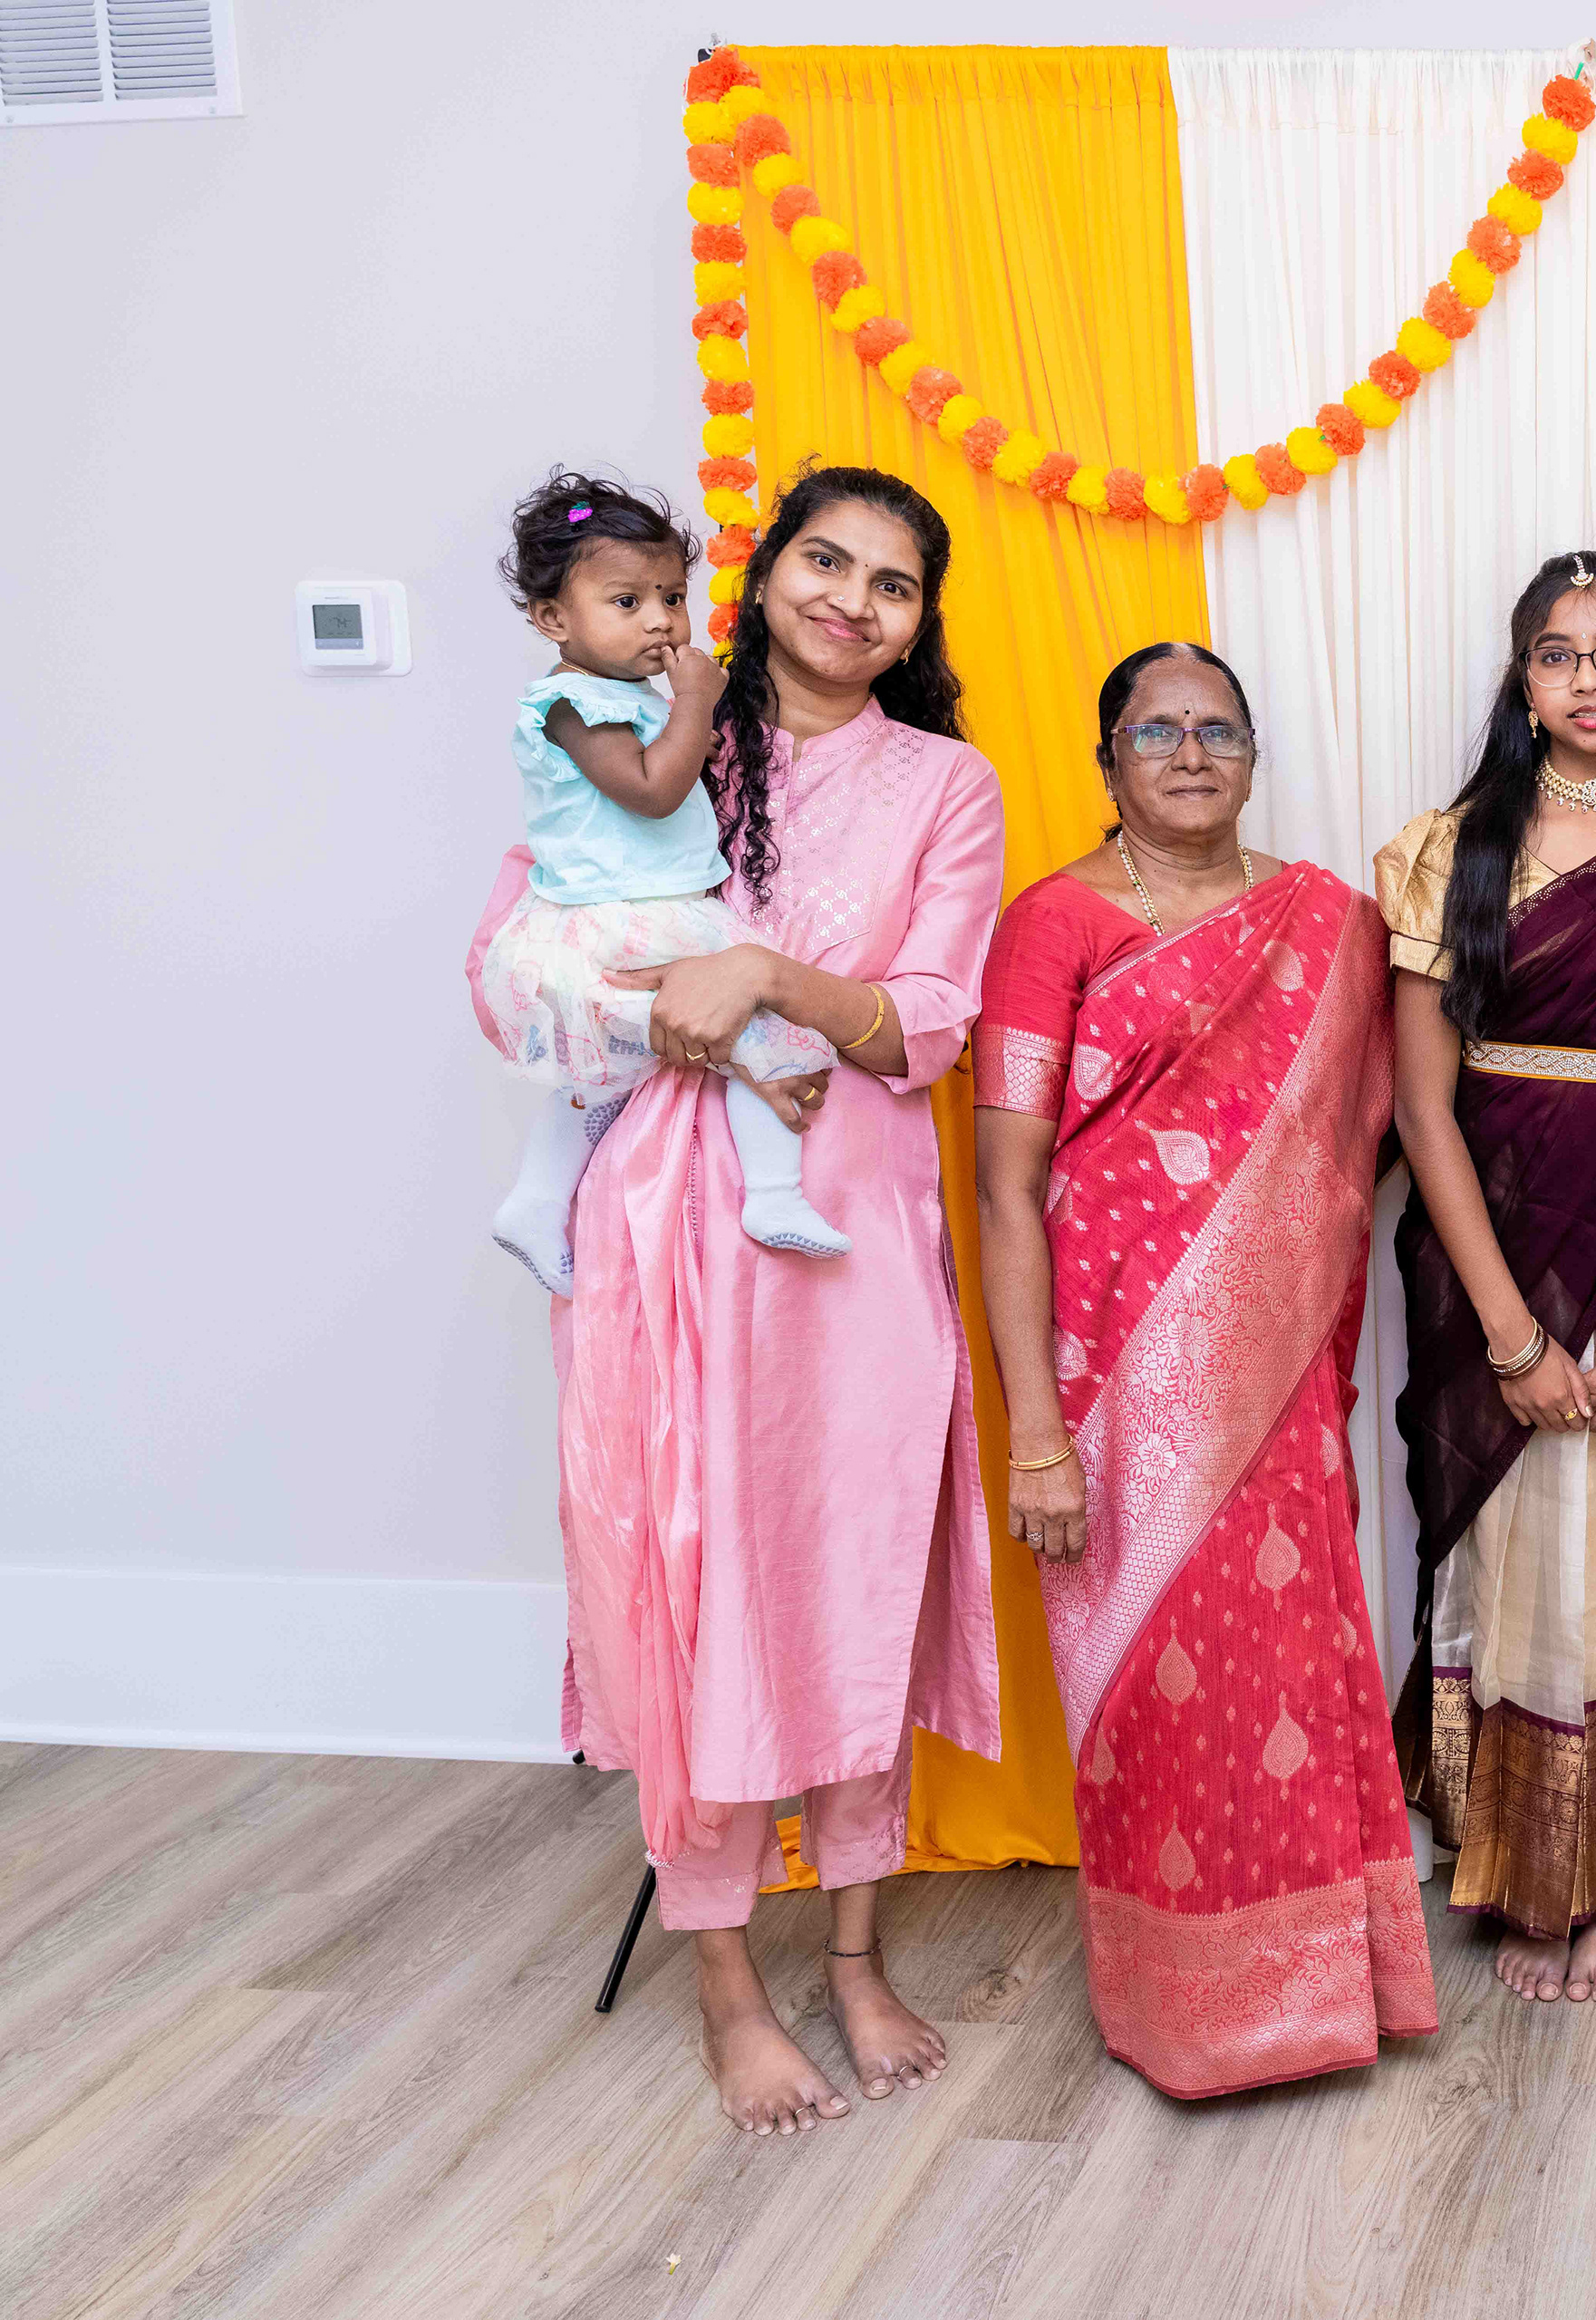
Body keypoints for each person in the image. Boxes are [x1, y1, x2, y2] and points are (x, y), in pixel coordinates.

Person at [508, 465, 1009, 2135]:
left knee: (855, 1578)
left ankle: (856, 1959)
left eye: (893, 583)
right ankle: (728, 1984)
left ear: (919, 624)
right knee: (688, 1584)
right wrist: (671, 1013)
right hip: (664, 1229)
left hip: (855, 1233)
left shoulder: (945, 784)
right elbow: (520, 965)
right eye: (824, 560)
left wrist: (765, 977)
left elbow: (928, 1022)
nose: (851, 601)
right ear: (764, 570)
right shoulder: (649, 734)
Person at [973, 640, 1436, 2100]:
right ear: (1107, 759)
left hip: (1274, 1377)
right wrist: (1035, 1437)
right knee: (1157, 1704)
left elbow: (1375, 1133)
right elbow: (1004, 1188)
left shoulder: (1331, 923)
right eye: (1157, 730)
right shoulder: (1051, 923)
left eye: (1218, 730)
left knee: (1290, 1668)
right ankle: (1185, 2012)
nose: (1189, 753)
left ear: (1252, 757)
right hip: (1110, 1389)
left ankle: (1320, 1994)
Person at [1379, 553, 1596, 2007]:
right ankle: (1529, 1863)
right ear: (1522, 683)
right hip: (1492, 1241)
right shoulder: (1449, 850)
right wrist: (1513, 1336)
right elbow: (1420, 1106)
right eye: (1557, 653)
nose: (1589, 677)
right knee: (1517, 1537)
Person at [475, 469, 844, 1293]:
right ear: (553, 619)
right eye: (627, 601)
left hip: (654, 908)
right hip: (617, 919)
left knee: (608, 1076)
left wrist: (677, 714)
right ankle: (773, 1196)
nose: (660, 620)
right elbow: (652, 790)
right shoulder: (571, 705)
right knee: (752, 1031)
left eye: (672, 597)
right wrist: (696, 704)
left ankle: (537, 1202)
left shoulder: (626, 695)